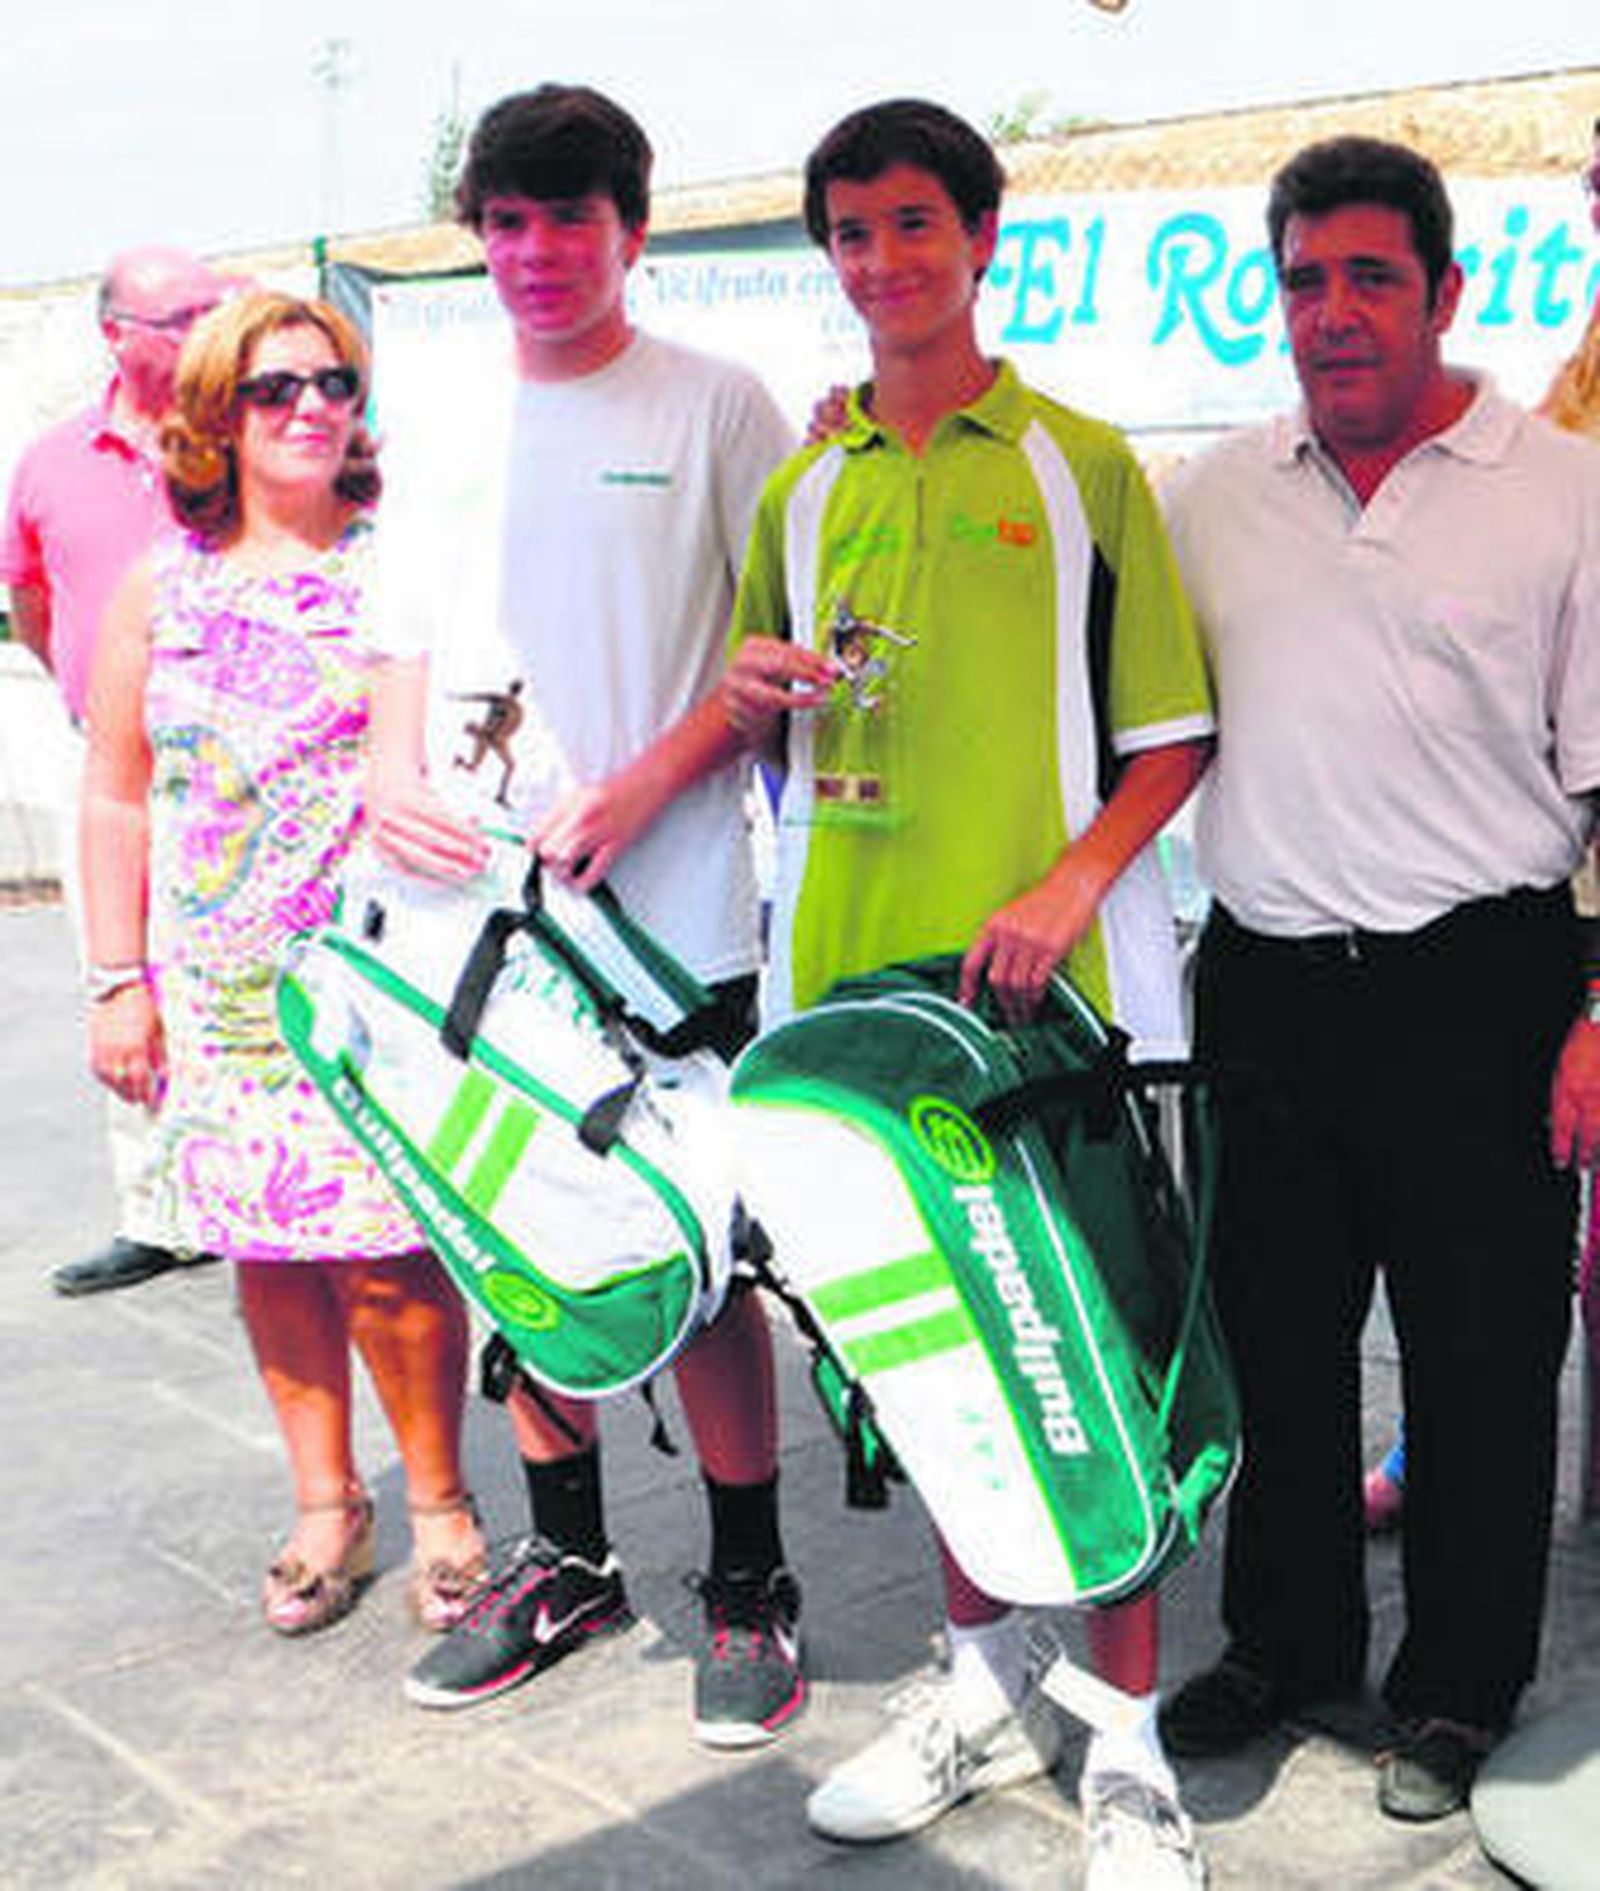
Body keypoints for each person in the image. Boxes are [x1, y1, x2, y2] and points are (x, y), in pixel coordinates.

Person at [601, 98, 1217, 1888]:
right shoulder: (805, 487)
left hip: (1045, 1010)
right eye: (853, 234)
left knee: (1082, 1368)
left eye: (916, 226)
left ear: (983, 239)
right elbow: (767, 728)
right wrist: (763, 695)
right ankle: (971, 1685)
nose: (885, 263)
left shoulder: (1082, 465)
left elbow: (1172, 738)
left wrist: (1067, 883)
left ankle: (1127, 1750)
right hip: (849, 1011)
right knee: (931, 1363)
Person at [1156, 135, 1600, 1824]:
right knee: (1275, 1344)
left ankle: (1458, 1694)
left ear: (1445, 292)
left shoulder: (1558, 490)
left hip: (1481, 989)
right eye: (1302, 280)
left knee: (1483, 1356)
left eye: (1371, 278)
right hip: (1263, 985)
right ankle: (1285, 1645)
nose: (1332, 314)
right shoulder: (1213, 490)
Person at [363, 84, 804, 1748]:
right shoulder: (450, 417)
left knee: (691, 1251)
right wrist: (386, 776)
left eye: (570, 218)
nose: (537, 253)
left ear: (635, 226)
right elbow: (400, 640)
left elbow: (774, 657)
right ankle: (566, 1558)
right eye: (507, 222)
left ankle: (750, 1583)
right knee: (510, 1224)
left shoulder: (717, 405)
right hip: (465, 917)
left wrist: (643, 786)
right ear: (479, 235)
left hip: (669, 911)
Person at [80, 291, 486, 1639]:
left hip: (377, 987)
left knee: (388, 1254)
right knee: (267, 1249)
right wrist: (116, 976)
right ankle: (327, 1502)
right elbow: (118, 792)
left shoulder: (398, 569)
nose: (312, 406)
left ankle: (438, 1501)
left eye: (332, 381)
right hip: (221, 991)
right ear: (215, 417)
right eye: (274, 389)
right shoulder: (164, 586)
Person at [3, 247, 228, 1296]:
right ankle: (160, 1211)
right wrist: (93, 703)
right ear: (115, 336)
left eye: (216, 309)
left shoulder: (246, 441)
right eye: (182, 315)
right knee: (123, 965)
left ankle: (280, 1183)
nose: (207, 328)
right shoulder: (51, 462)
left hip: (243, 762)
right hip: (115, 759)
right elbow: (34, 599)